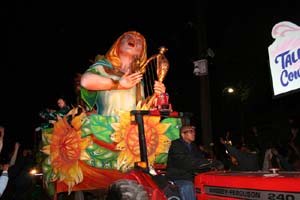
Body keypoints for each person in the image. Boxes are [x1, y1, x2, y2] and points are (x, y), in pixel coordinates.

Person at [80, 31, 166, 116]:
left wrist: (157, 97)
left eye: (139, 41)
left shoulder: (137, 80)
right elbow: (85, 81)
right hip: (107, 126)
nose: (134, 39)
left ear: (141, 53)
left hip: (130, 127)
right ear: (117, 44)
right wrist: (119, 84)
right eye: (128, 36)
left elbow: (140, 108)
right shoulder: (104, 67)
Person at [166, 125, 223, 200]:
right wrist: (208, 162)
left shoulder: (193, 146)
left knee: (211, 181)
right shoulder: (176, 145)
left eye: (194, 132)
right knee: (188, 186)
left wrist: (211, 166)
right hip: (178, 176)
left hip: (191, 175)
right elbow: (185, 161)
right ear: (183, 134)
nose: (194, 133)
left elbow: (199, 160)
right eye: (191, 132)